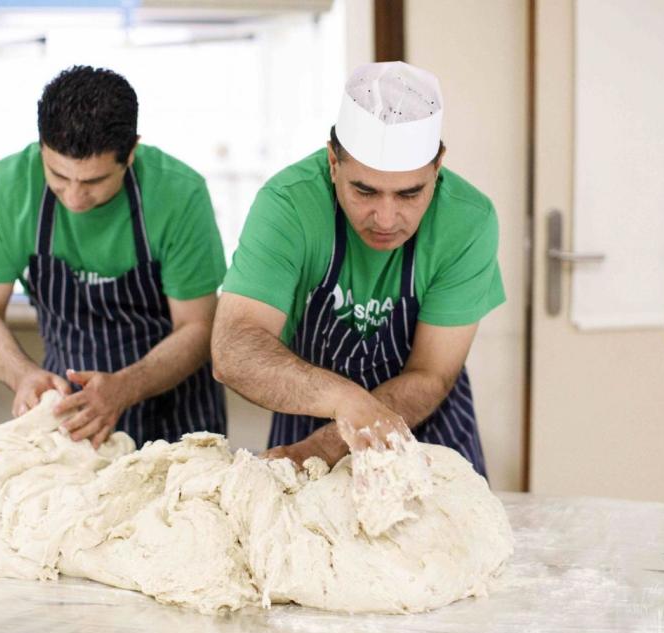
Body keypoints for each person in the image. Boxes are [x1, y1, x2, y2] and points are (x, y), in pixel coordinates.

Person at [211, 61, 504, 476]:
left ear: (437, 168)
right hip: (307, 417)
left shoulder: (468, 221)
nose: (385, 219)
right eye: (364, 190)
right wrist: (345, 402)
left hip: (425, 433)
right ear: (333, 163)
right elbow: (233, 350)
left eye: (409, 194)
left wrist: (330, 443)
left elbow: (431, 374)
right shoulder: (289, 205)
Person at [0, 65, 226, 449]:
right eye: (58, 176)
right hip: (73, 412)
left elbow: (199, 328)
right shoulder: (7, 188)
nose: (73, 197)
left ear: (130, 152)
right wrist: (22, 375)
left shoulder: (178, 194)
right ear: (41, 146)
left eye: (94, 182)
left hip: (177, 415)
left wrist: (125, 387)